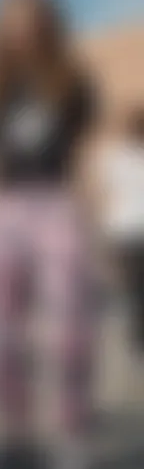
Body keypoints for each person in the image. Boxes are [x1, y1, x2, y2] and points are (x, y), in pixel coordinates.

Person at [0, 0, 99, 469]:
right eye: (10, 16)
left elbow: (88, 153)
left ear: (46, 20)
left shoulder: (72, 80)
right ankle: (14, 441)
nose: (20, 25)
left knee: (71, 328)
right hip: (2, 208)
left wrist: (90, 217)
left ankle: (69, 441)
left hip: (56, 204)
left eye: (29, 15)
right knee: (4, 333)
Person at [94, 103, 144, 359]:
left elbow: (106, 193)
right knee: (138, 288)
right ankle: (137, 335)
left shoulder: (114, 157)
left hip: (123, 230)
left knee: (133, 286)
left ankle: (136, 335)